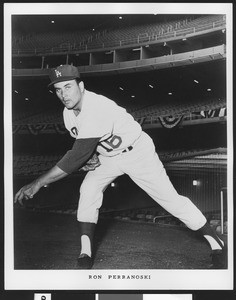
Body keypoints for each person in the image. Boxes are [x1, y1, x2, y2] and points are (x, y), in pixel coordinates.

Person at [14, 64, 227, 269]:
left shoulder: (97, 106)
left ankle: (216, 242)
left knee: (169, 200)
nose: (63, 94)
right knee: (88, 190)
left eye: (68, 87)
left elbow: (76, 155)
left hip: (137, 152)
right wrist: (91, 156)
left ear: (81, 86)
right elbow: (85, 148)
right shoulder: (68, 114)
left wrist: (38, 183)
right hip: (108, 158)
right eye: (58, 90)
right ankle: (85, 250)